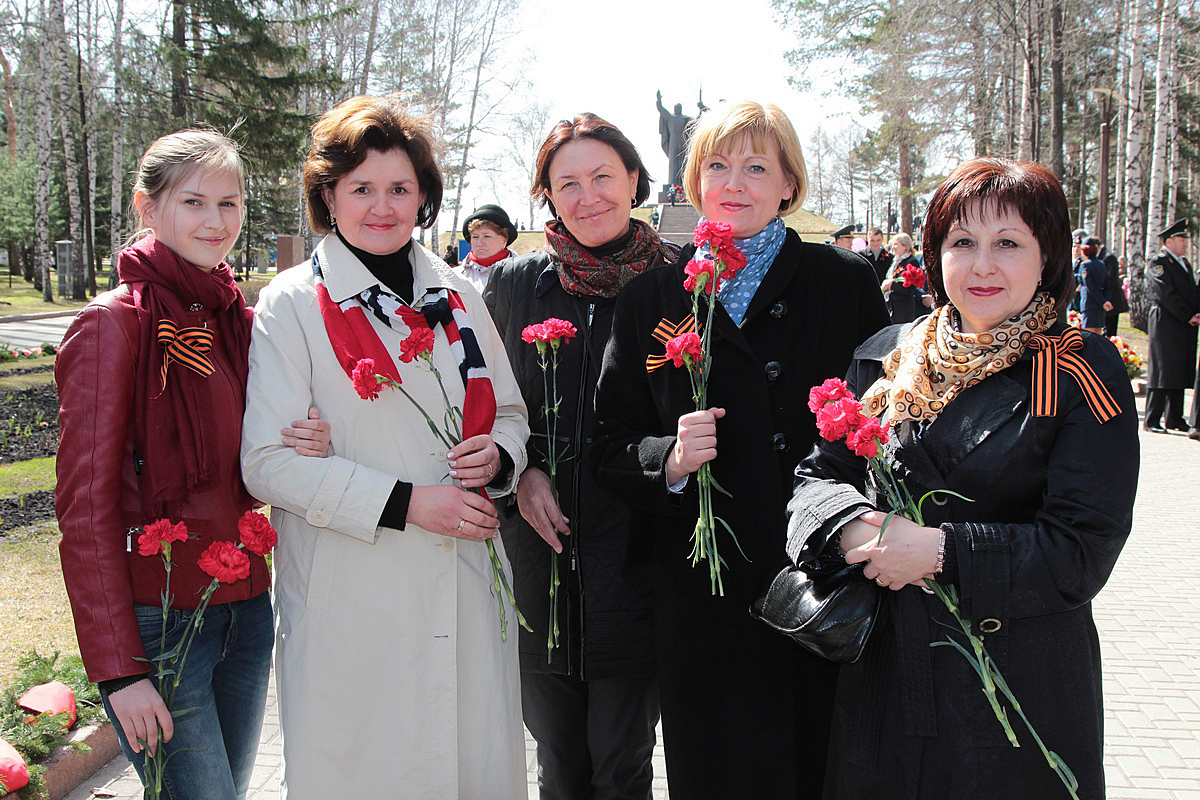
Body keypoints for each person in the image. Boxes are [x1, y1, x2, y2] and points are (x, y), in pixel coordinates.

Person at [788, 157, 1138, 798]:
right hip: (886, 680)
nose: (983, 266)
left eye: (1008, 243)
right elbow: (818, 475)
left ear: (1048, 257)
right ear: (934, 252)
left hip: (1014, 690)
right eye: (962, 243)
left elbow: (1082, 549)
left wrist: (942, 552)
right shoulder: (890, 354)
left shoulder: (1078, 371)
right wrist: (850, 526)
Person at [591, 101, 890, 798]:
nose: (736, 183)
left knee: (815, 764)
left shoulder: (844, 282)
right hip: (702, 588)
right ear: (694, 182)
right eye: (718, 165)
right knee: (714, 770)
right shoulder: (652, 297)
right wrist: (668, 458)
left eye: (758, 166)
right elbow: (608, 445)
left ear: (789, 183)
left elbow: (886, 422)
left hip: (816, 577)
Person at [239, 96, 530, 798]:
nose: (382, 206)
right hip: (356, 598)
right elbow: (266, 464)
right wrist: (406, 505)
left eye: (400, 188)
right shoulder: (292, 305)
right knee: (367, 771)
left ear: (424, 196)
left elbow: (513, 414)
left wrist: (500, 457)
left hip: (465, 585)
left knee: (470, 767)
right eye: (360, 188)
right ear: (327, 197)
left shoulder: (459, 294)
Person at [56, 130, 332, 800]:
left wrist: (308, 440)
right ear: (146, 208)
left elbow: (256, 451)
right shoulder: (114, 324)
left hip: (245, 608)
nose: (216, 222)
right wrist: (120, 672)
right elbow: (83, 509)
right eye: (193, 201)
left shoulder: (241, 318)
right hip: (163, 621)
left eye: (230, 203)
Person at [484, 113, 675, 800]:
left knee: (621, 761)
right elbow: (485, 407)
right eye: (568, 183)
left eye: (603, 177)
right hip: (542, 560)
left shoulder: (675, 286)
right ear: (547, 196)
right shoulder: (513, 286)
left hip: (636, 563)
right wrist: (519, 473)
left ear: (633, 180)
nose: (588, 196)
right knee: (560, 763)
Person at [1144, 217, 1199, 433]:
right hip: (1166, 320)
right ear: (1168, 241)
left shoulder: (1184, 263)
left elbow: (1192, 291)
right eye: (1181, 238)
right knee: (1162, 368)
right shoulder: (1159, 262)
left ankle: (1175, 417)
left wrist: (1195, 313)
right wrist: (1188, 315)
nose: (1186, 242)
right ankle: (1152, 419)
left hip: (1184, 322)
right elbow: (1165, 293)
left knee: (1179, 367)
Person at [458, 203, 517, 292]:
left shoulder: (522, 274)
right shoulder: (455, 276)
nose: (479, 243)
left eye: (487, 236)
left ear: (504, 240)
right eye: (475, 237)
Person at [881, 232, 930, 324]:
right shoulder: (896, 261)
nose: (893, 247)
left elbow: (909, 287)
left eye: (896, 244)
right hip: (892, 306)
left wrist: (891, 285)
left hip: (903, 309)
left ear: (905, 246)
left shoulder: (911, 262)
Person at [1077, 236, 1108, 334]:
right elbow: (1107, 284)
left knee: (1088, 333)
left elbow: (1089, 286)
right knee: (1098, 333)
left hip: (1089, 303)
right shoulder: (1101, 264)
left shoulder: (1085, 265)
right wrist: (1104, 300)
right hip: (1099, 304)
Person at [1098, 237, 1127, 336]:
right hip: (1106, 298)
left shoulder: (1109, 257)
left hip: (1112, 299)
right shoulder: (1103, 256)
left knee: (1110, 330)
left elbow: (1111, 279)